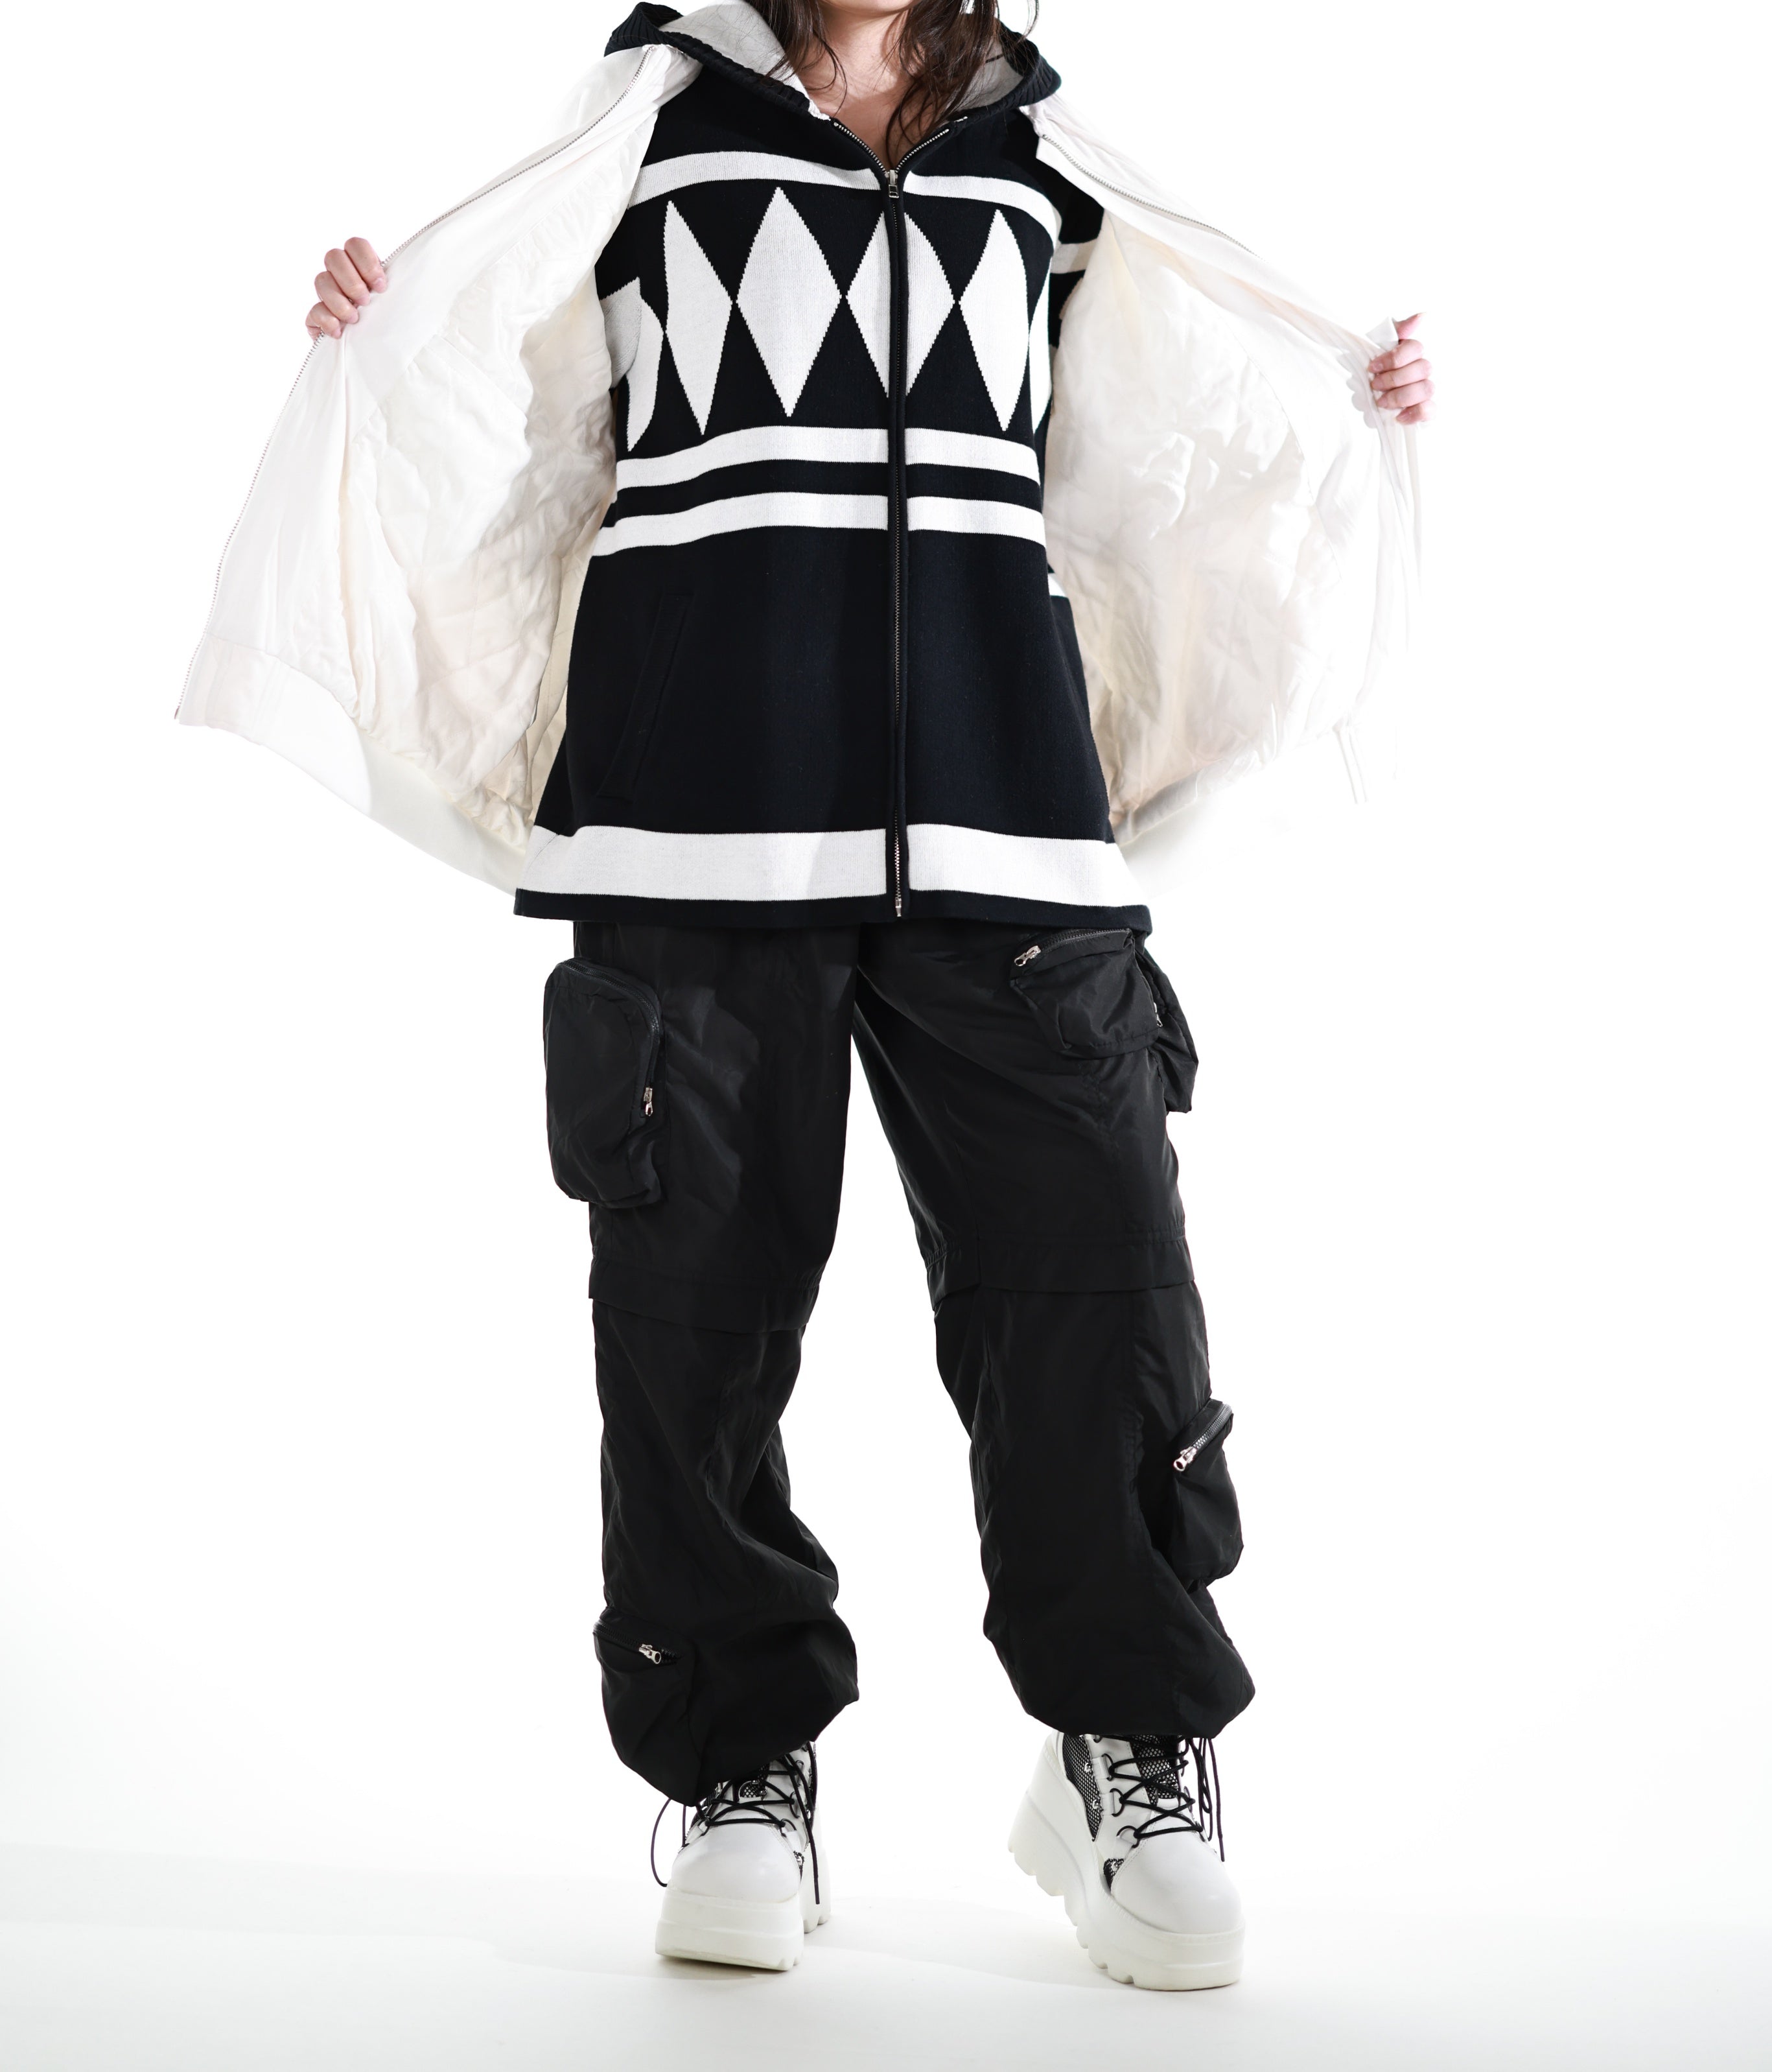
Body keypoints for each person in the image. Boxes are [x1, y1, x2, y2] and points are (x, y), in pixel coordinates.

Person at [194, 0, 1430, 1993]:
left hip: (1011, 834)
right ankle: (738, 1760)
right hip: (697, 821)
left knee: (1097, 1287)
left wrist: (1338, 395)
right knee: (691, 1317)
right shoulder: (652, 130)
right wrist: (388, 324)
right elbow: (505, 393)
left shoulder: (1043, 157)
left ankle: (1125, 1743)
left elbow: (1155, 449)